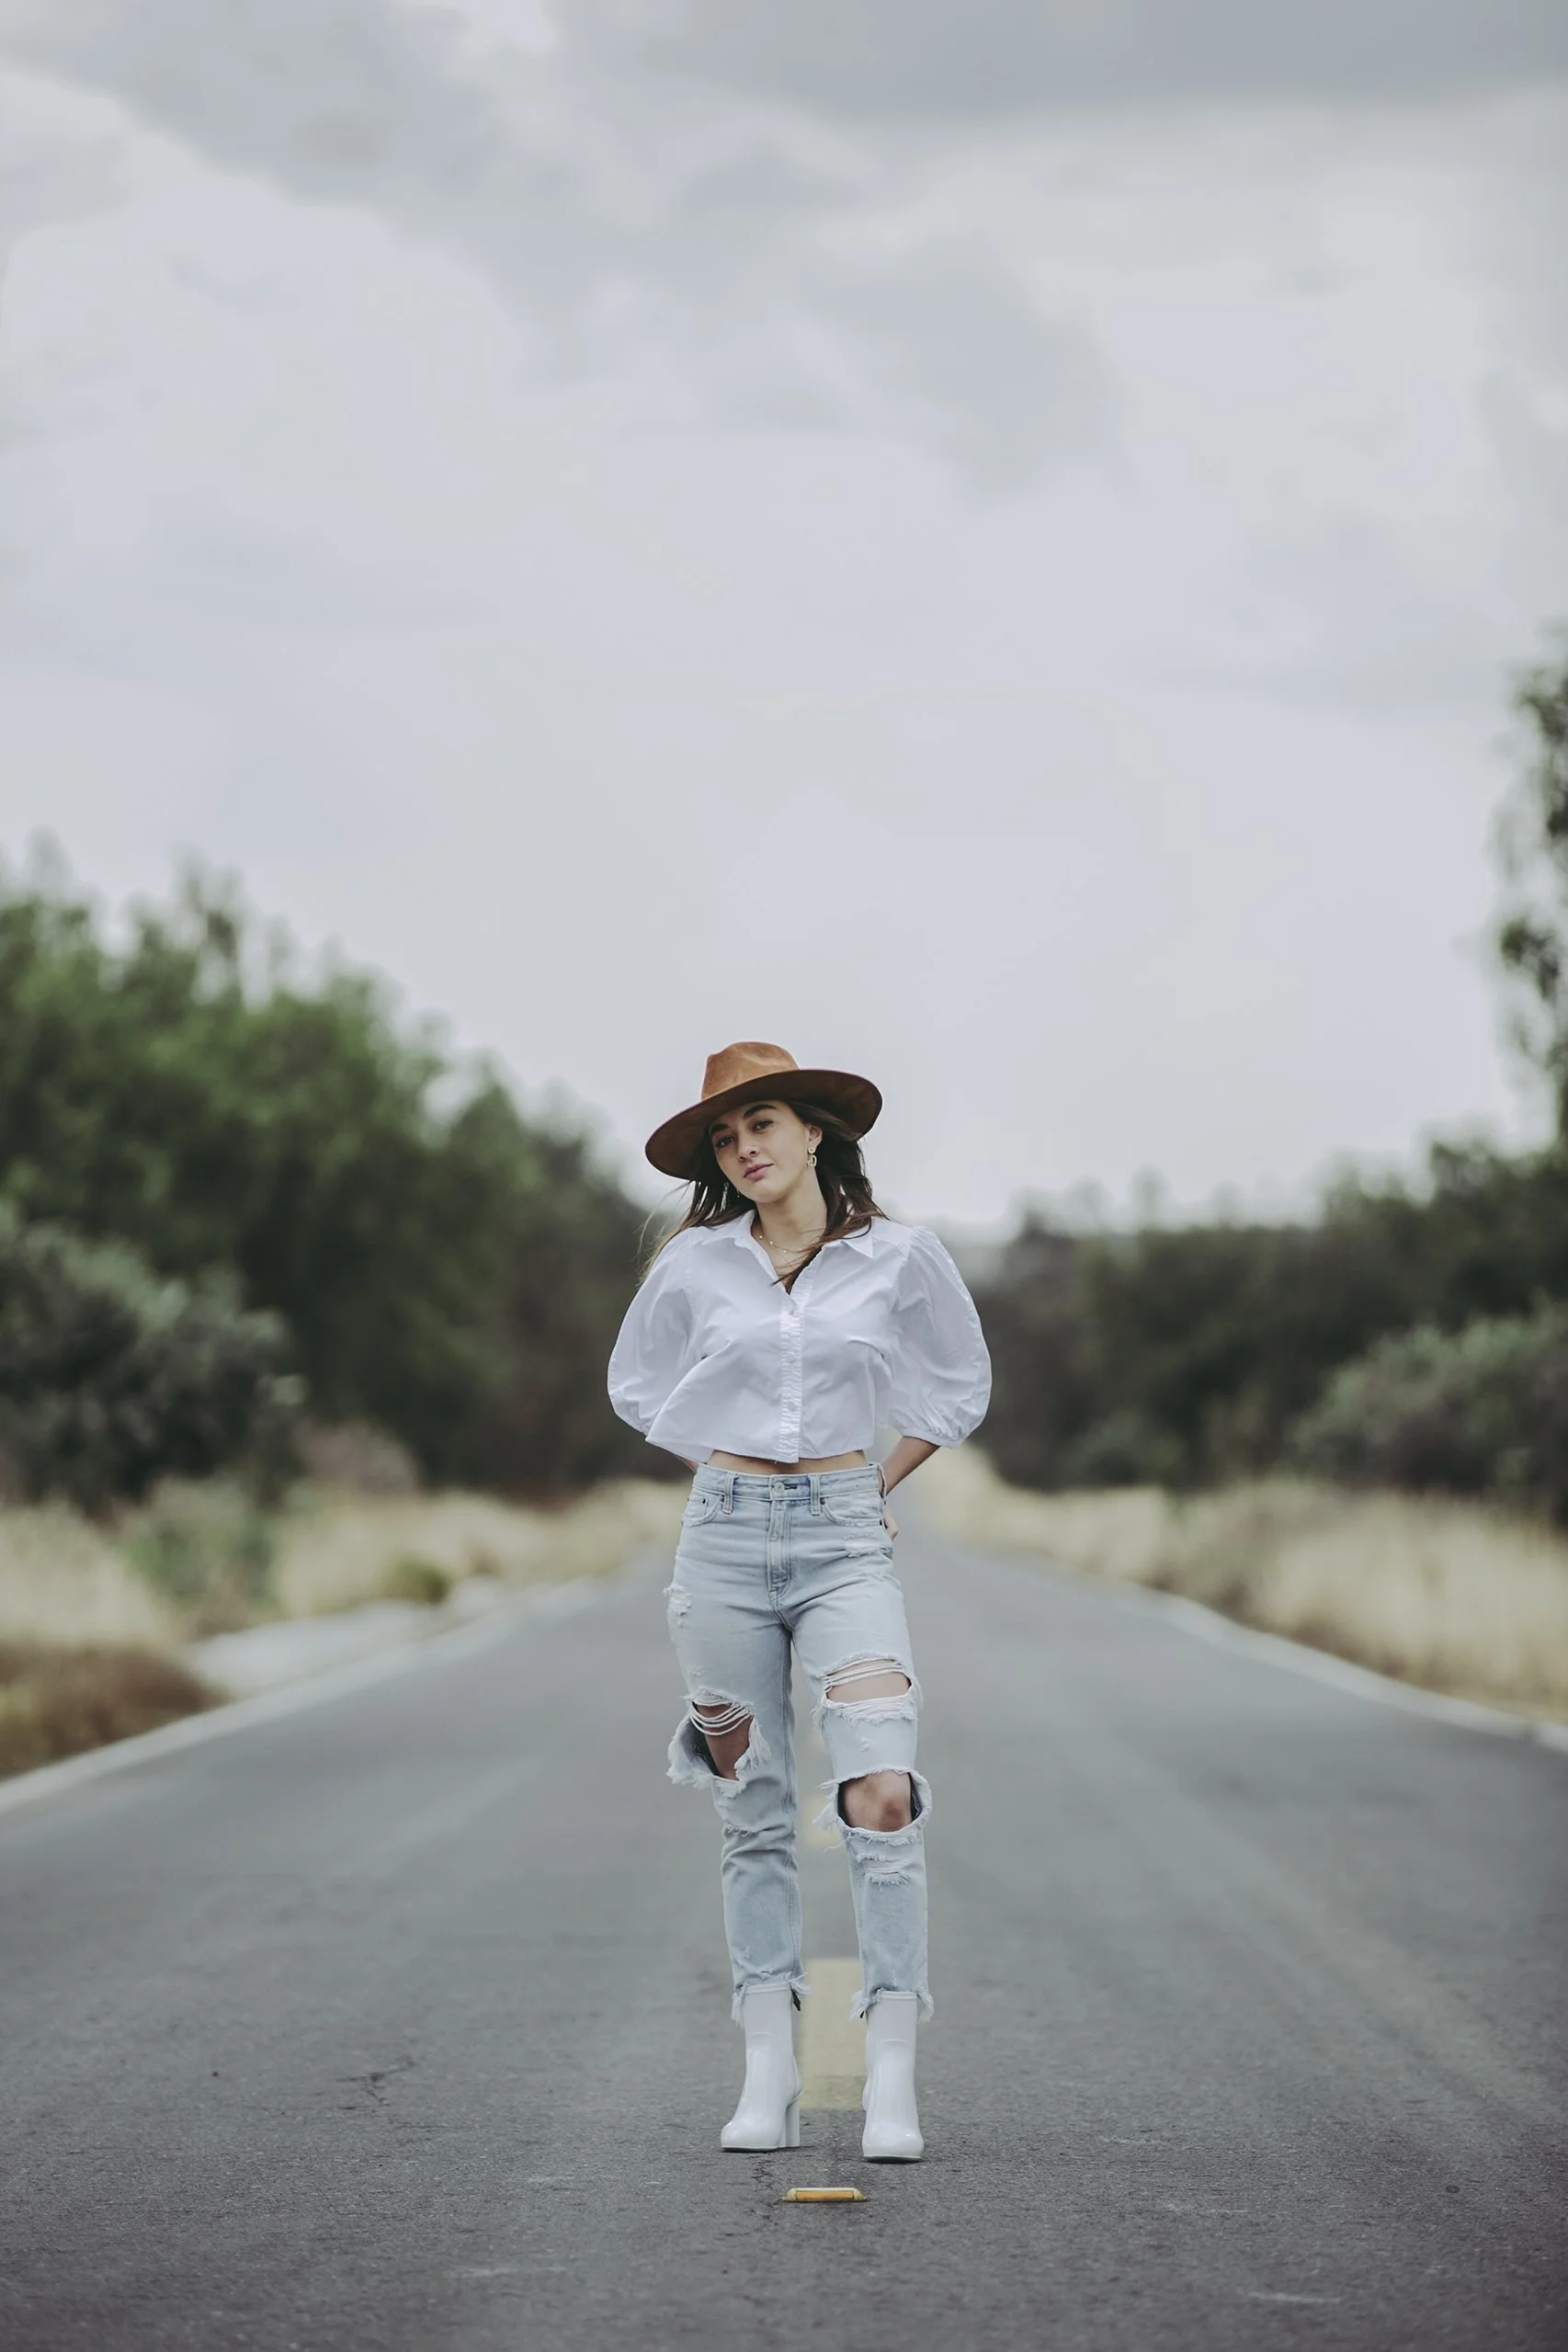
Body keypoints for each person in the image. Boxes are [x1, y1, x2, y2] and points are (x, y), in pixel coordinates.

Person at [608, 1041, 991, 2162]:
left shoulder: (901, 1258)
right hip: (721, 1542)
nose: (744, 1149)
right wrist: (724, 1481)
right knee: (752, 1803)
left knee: (878, 1788)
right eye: (726, 1139)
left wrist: (873, 1484)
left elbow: (957, 1382)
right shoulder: (695, 1265)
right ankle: (766, 2067)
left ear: (816, 1130)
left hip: (843, 1538)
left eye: (761, 1123)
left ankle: (889, 2074)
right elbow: (640, 1386)